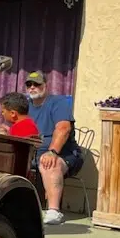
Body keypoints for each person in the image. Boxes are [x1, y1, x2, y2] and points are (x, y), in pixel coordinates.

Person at [25, 71, 82, 225]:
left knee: (50, 163)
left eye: (36, 84)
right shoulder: (25, 104)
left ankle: (53, 211)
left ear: (46, 85)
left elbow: (63, 128)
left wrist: (53, 151)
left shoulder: (58, 102)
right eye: (29, 84)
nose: (32, 87)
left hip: (65, 155)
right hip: (31, 153)